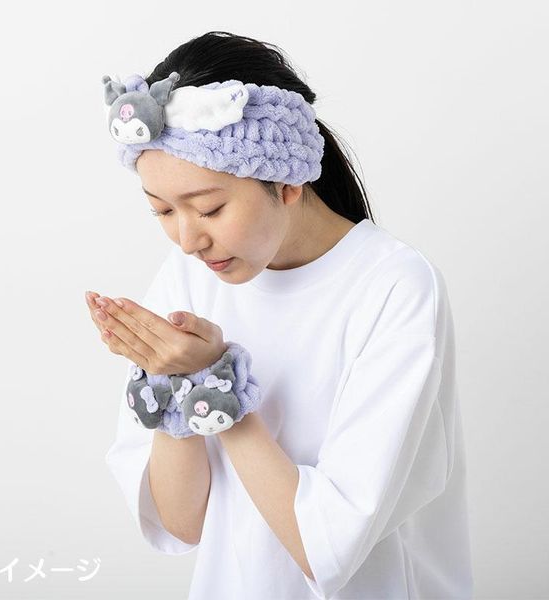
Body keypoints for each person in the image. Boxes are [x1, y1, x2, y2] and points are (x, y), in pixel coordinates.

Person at [86, 31, 473, 600]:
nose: (188, 239)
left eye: (209, 208)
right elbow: (182, 523)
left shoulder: (393, 286)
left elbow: (326, 548)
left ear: (288, 181)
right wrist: (175, 379)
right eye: (163, 211)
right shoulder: (190, 277)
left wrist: (216, 387)